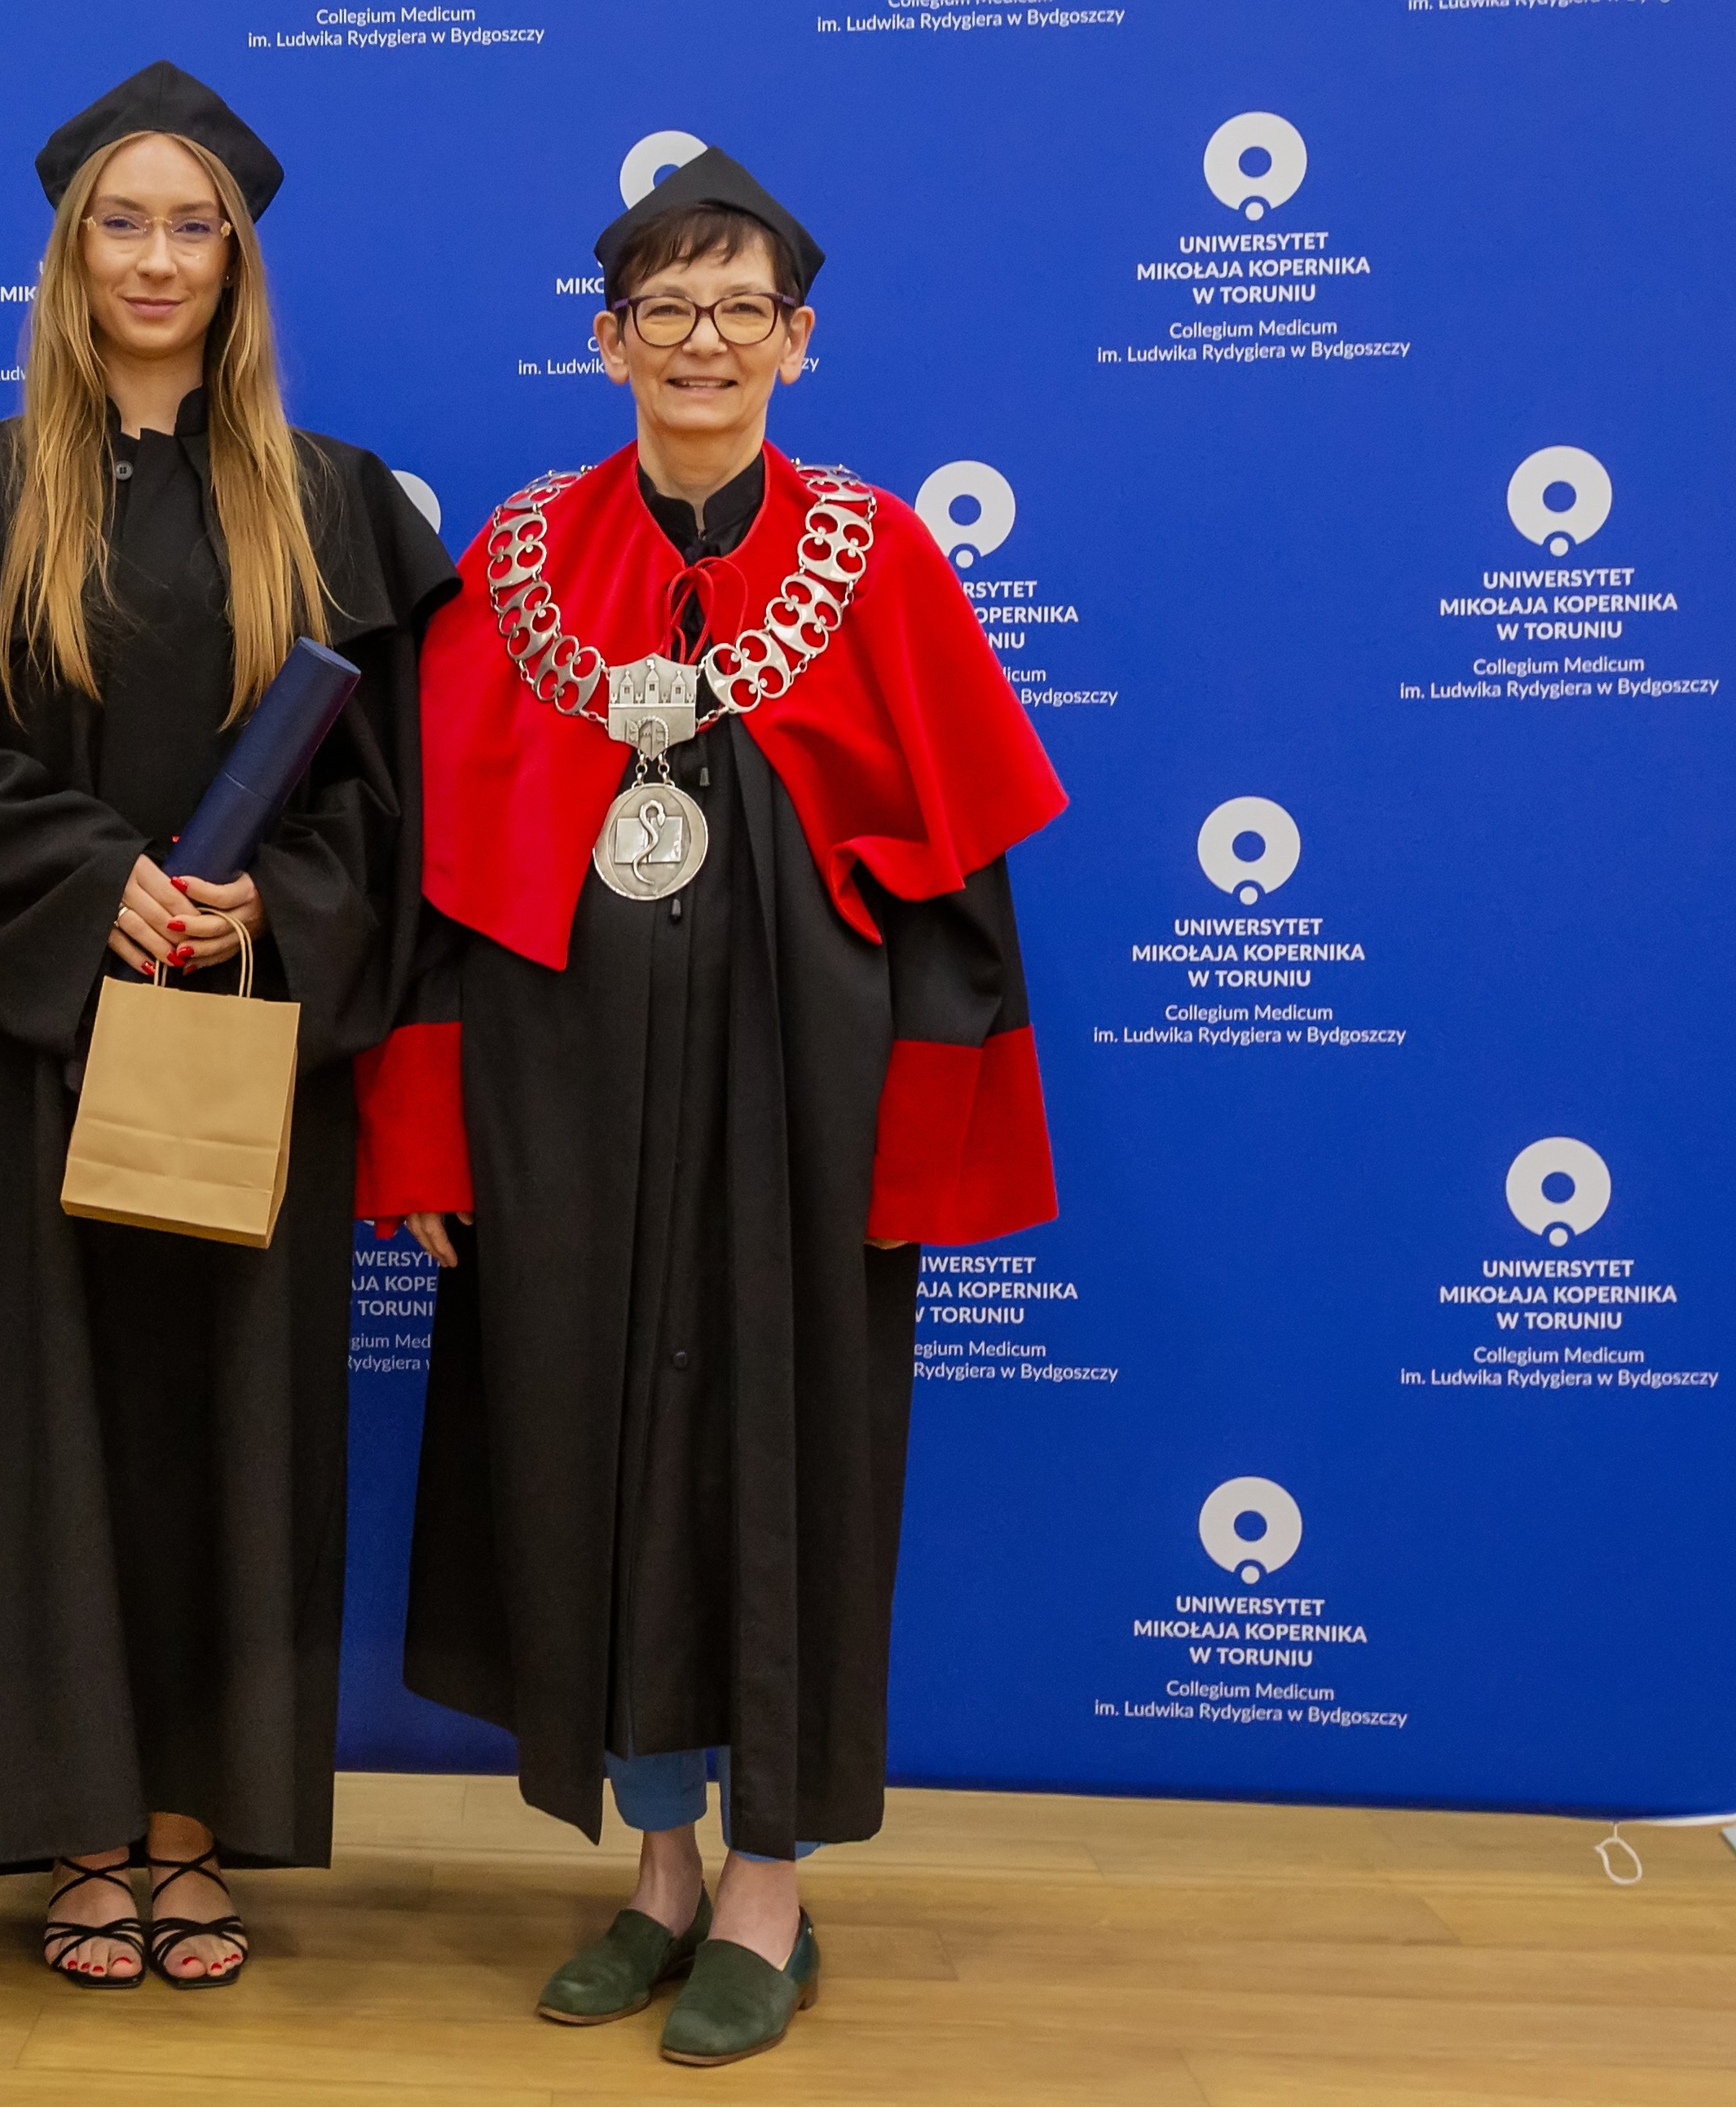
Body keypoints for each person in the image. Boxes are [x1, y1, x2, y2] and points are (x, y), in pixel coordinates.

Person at [355, 147, 1066, 2065]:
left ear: (797, 340)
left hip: (803, 1108)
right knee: (587, 1460)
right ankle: (657, 1866)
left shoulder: (876, 558)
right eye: (664, 308)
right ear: (606, 341)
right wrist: (424, 1127)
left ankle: (769, 1889)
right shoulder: (517, 564)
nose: (702, 342)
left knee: (786, 1471)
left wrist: (917, 1148)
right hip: (560, 1099)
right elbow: (437, 878)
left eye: (739, 309)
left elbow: (964, 898)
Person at [0, 60, 452, 1990]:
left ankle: (193, 1836)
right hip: (20, 1052)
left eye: (194, 227)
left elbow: (392, 810)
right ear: (68, 253)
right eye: (124, 223)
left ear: (237, 260)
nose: (157, 259)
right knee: (34, 1441)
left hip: (243, 1045)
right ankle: (77, 1838)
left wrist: (280, 899)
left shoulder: (331, 504)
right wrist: (94, 877)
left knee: (228, 1439)